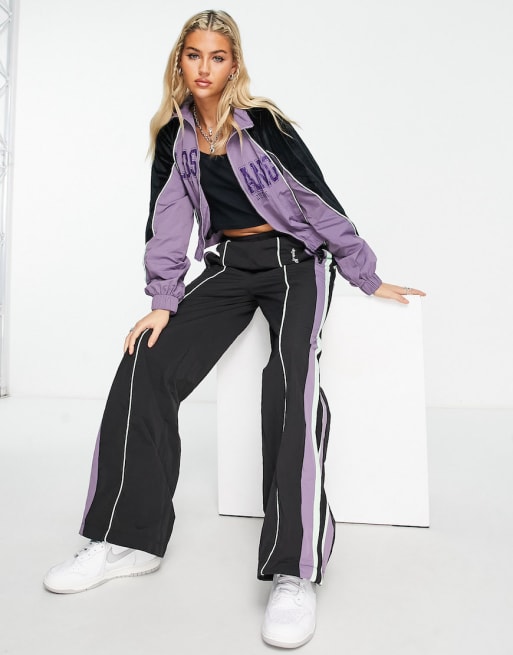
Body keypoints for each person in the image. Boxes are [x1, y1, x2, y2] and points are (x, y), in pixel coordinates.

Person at [43, 9, 425, 650]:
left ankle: (294, 571)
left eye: (217, 57)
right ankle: (125, 539)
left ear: (234, 64)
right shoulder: (175, 135)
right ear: (180, 60)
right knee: (145, 360)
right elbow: (167, 220)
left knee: (290, 385)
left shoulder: (264, 124)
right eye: (194, 55)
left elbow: (318, 198)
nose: (204, 68)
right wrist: (163, 300)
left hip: (295, 263)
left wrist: (365, 273)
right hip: (230, 264)